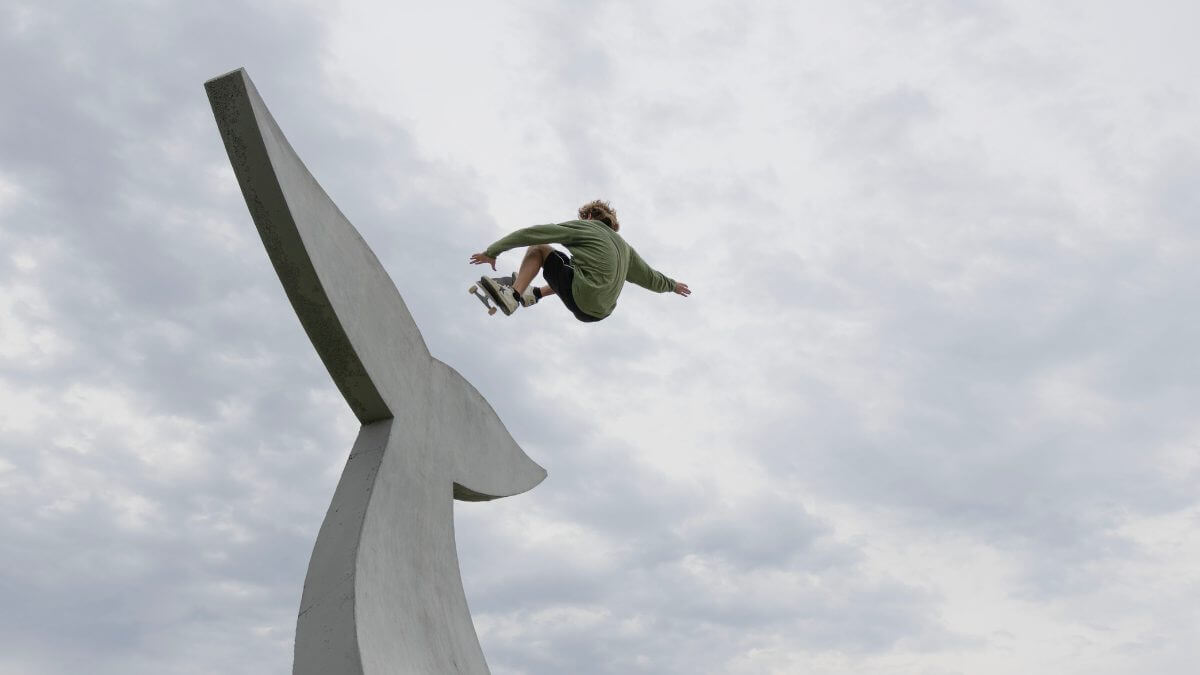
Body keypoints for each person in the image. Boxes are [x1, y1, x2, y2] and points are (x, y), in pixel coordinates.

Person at [469, 200, 690, 322]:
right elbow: (650, 277)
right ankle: (534, 294)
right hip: (599, 313)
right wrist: (672, 285)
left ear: (589, 217)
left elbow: (535, 233)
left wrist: (493, 251)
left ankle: (514, 295)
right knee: (577, 267)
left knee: (539, 248)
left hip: (583, 295)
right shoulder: (625, 249)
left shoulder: (586, 226)